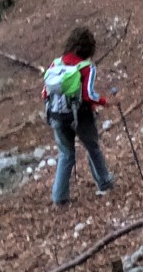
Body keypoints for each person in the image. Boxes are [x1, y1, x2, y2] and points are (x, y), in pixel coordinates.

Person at [42, 26, 115, 206]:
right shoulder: (86, 67)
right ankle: (104, 182)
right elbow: (88, 95)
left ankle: (59, 198)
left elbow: (45, 93)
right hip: (80, 116)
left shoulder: (56, 64)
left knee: (66, 154)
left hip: (57, 116)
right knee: (92, 148)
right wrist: (106, 101)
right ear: (89, 48)